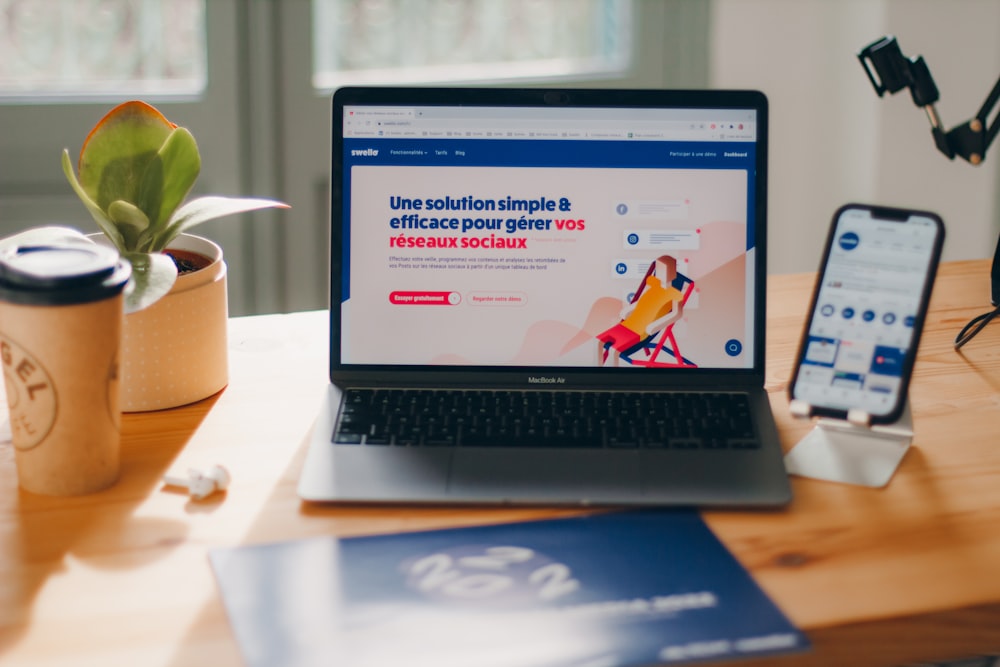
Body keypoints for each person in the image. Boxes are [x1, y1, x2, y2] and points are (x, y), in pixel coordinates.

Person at [596, 254, 685, 367]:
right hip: (629, 323)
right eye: (658, 269)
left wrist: (654, 326)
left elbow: (676, 314)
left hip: (641, 331)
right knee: (597, 341)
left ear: (671, 273)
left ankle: (613, 379)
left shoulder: (674, 294)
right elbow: (644, 301)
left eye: (662, 270)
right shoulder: (654, 285)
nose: (659, 272)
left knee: (614, 350)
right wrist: (629, 309)